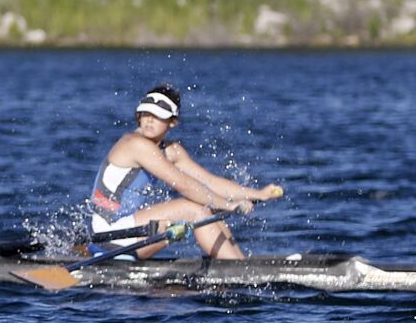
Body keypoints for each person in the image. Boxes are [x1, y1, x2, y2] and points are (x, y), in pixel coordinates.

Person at [88, 85, 283, 260]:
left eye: (157, 116)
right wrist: (229, 205)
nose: (149, 120)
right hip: (109, 236)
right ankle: (238, 271)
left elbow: (208, 182)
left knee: (208, 208)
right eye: (146, 113)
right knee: (194, 209)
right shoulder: (135, 144)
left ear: (172, 122)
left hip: (130, 229)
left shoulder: (171, 151)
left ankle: (238, 263)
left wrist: (258, 194)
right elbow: (183, 185)